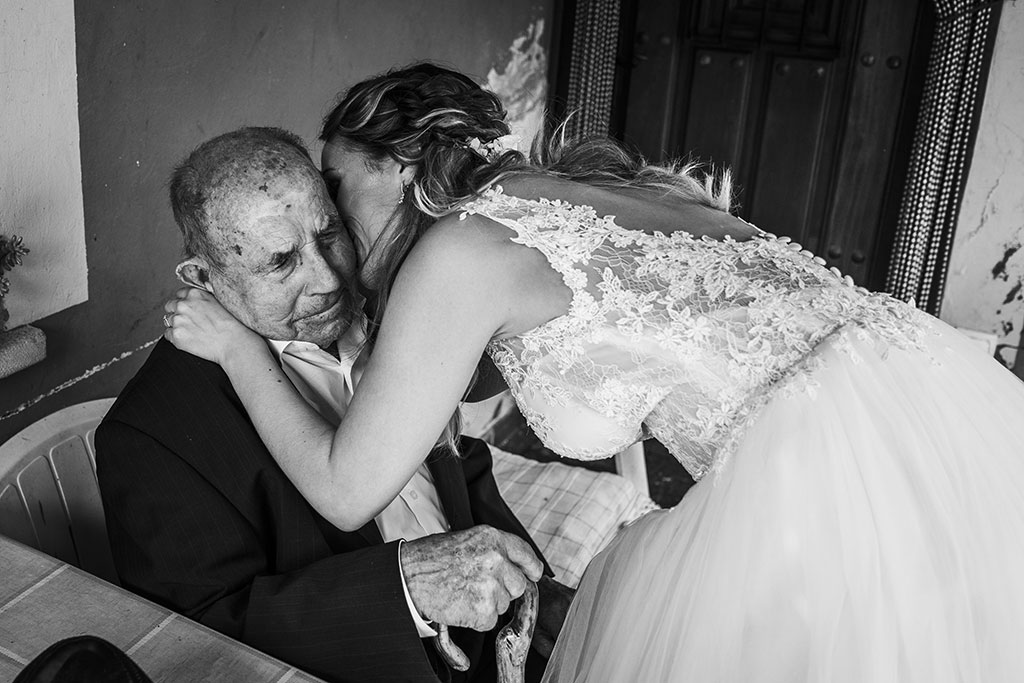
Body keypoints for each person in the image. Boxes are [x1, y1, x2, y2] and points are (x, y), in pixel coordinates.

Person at [164, 63, 1024, 682]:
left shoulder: (460, 251)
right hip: (923, 402)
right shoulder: (557, 193)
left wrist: (237, 346)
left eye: (336, 189)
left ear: (399, 164)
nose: (338, 235)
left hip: (826, 483)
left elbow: (347, 491)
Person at [97, 126, 572, 683]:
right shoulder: (149, 434)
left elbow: (454, 461)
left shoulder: (386, 308)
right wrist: (406, 590)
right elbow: (195, 635)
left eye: (329, 236)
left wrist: (533, 590)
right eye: (280, 262)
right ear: (203, 278)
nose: (327, 279)